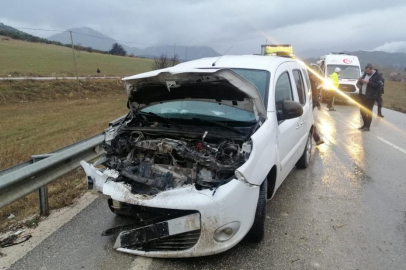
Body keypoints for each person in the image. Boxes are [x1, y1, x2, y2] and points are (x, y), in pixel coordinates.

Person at [356, 64, 382, 131]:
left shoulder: (377, 76)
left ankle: (367, 127)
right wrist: (361, 81)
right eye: (366, 71)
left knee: (368, 111)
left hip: (371, 96)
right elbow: (361, 82)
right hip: (363, 95)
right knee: (362, 111)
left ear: (372, 69)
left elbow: (378, 85)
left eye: (368, 71)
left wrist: (368, 82)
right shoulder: (365, 74)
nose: (367, 72)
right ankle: (364, 125)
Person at [309, 73, 324, 145]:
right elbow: (312, 95)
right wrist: (318, 103)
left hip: (311, 104)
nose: (315, 77)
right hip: (310, 104)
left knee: (312, 123)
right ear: (311, 75)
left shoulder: (312, 83)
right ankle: (317, 139)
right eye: (314, 75)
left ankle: (317, 139)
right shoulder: (310, 84)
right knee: (311, 123)